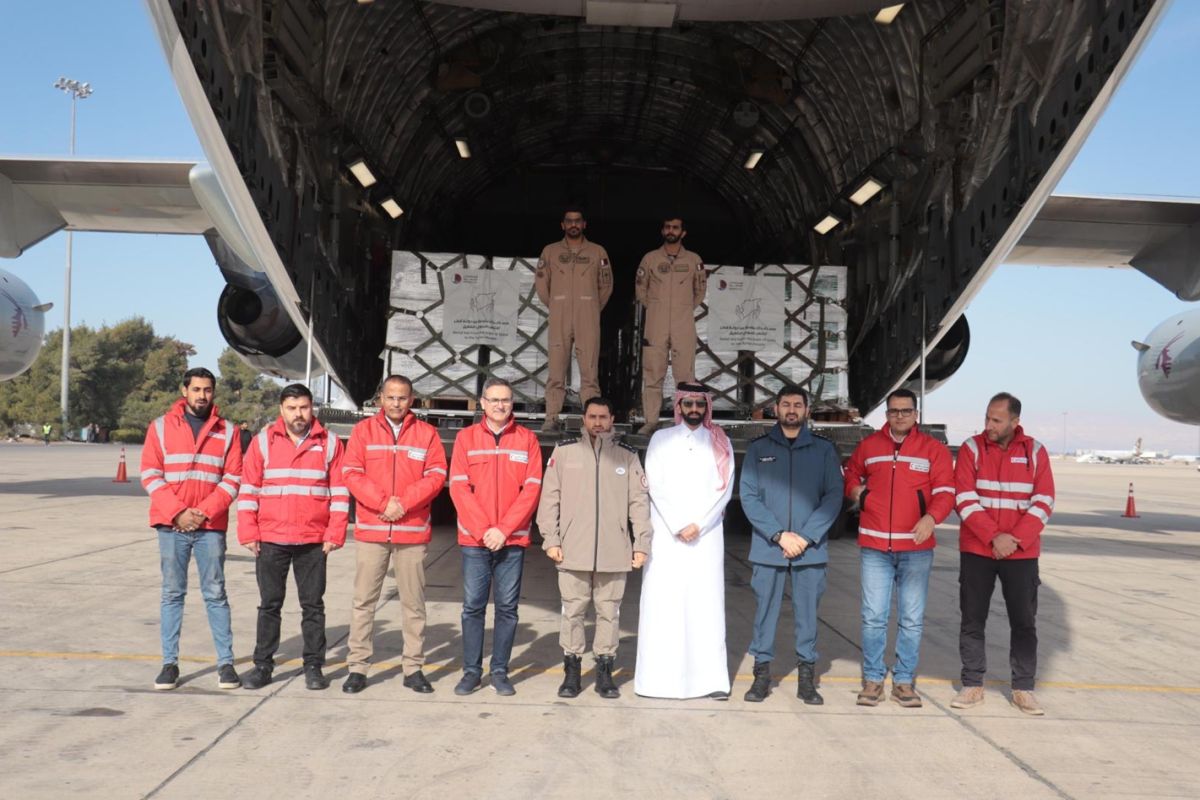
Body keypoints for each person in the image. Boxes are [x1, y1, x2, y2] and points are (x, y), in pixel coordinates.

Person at [842, 389, 954, 708]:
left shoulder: (934, 450)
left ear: (916, 414)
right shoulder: (870, 446)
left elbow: (946, 492)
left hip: (916, 549)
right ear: (886, 414)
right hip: (875, 547)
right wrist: (859, 495)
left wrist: (932, 517)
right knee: (874, 617)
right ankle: (874, 679)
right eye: (893, 411)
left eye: (906, 411)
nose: (900, 416)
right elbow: (851, 474)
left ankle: (904, 681)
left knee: (912, 619)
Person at [536, 396, 651, 699]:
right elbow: (549, 500)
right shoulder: (564, 453)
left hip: (615, 553)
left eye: (603, 417)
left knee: (609, 614)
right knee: (572, 613)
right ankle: (572, 671)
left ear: (613, 419)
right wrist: (551, 540)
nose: (598, 422)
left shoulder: (627, 456)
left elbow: (638, 504)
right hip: (572, 550)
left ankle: (604, 671)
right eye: (592, 417)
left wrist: (641, 544)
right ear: (583, 419)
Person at [237, 384, 349, 691]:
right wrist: (248, 531)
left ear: (312, 408)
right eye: (292, 408)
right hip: (271, 538)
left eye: (303, 407)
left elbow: (339, 492)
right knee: (269, 605)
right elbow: (248, 490)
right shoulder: (262, 443)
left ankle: (314, 666)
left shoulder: (329, 443)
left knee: (313, 606)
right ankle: (263, 666)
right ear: (281, 410)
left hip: (313, 541)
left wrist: (335, 532)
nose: (298, 414)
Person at [341, 375, 447, 694]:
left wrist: (404, 503)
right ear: (380, 399)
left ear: (411, 400)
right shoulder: (363, 432)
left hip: (411, 530)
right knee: (364, 601)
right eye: (391, 397)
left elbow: (436, 475)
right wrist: (382, 502)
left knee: (413, 604)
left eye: (402, 398)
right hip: (373, 529)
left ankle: (412, 667)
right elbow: (351, 473)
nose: (396, 404)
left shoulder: (427, 434)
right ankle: (358, 667)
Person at [140, 367, 244, 691]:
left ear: (214, 393)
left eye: (208, 390)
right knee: (172, 594)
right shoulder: (159, 427)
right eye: (196, 389)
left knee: (215, 593)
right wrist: (178, 513)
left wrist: (203, 513)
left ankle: (226, 665)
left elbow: (233, 479)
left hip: (211, 527)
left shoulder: (228, 431)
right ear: (184, 391)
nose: (202, 395)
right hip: (171, 526)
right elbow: (150, 474)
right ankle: (169, 664)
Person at [952, 392, 1055, 716]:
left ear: (1015, 421)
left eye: (996, 420)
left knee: (1024, 622)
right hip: (978, 550)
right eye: (987, 418)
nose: (989, 425)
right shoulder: (971, 448)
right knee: (972, 619)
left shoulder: (1036, 452)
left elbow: (1044, 501)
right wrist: (993, 536)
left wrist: (1015, 539)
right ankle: (972, 685)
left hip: (1020, 554)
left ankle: (1023, 688)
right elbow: (964, 497)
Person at [739, 385, 844, 704]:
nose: (792, 410)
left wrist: (806, 536)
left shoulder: (824, 450)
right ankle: (761, 676)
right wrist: (779, 535)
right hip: (769, 547)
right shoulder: (759, 449)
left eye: (798, 404)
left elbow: (833, 495)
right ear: (776, 408)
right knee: (764, 613)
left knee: (807, 616)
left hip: (809, 550)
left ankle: (806, 679)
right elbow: (749, 496)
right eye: (786, 404)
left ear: (807, 410)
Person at [634, 382, 735, 699]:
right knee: (663, 606)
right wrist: (679, 524)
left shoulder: (720, 442)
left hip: (706, 539)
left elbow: (726, 489)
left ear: (706, 407)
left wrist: (700, 525)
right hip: (668, 537)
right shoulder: (660, 440)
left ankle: (709, 682)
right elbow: (654, 485)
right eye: (688, 404)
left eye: (699, 404)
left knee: (705, 607)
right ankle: (657, 682)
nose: (694, 410)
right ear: (678, 406)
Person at [448, 377, 543, 696]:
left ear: (511, 403)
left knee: (507, 609)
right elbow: (459, 487)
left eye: (506, 400)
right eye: (494, 400)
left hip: (511, 541)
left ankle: (500, 671)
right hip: (475, 541)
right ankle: (472, 672)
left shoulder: (527, 439)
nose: (500, 405)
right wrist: (483, 530)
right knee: (473, 607)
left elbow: (531, 490)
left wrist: (503, 530)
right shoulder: (466, 438)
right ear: (483, 403)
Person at [534, 207, 614, 433]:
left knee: (589, 371)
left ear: (584, 224)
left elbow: (606, 285)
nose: (573, 225)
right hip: (560, 315)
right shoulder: (550, 251)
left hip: (587, 316)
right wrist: (556, 305)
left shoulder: (597, 252)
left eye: (577, 221)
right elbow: (541, 284)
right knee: (556, 369)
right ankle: (551, 417)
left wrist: (591, 307)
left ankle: (593, 420)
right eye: (569, 221)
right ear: (563, 225)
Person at [635, 216, 706, 435]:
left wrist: (681, 309)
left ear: (683, 232)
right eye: (667, 227)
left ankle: (682, 423)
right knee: (653, 373)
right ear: (662, 230)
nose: (671, 231)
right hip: (656, 324)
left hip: (682, 323)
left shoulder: (694, 260)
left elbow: (699, 292)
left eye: (675, 228)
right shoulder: (650, 259)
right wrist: (657, 308)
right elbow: (641, 290)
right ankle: (651, 421)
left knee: (685, 376)